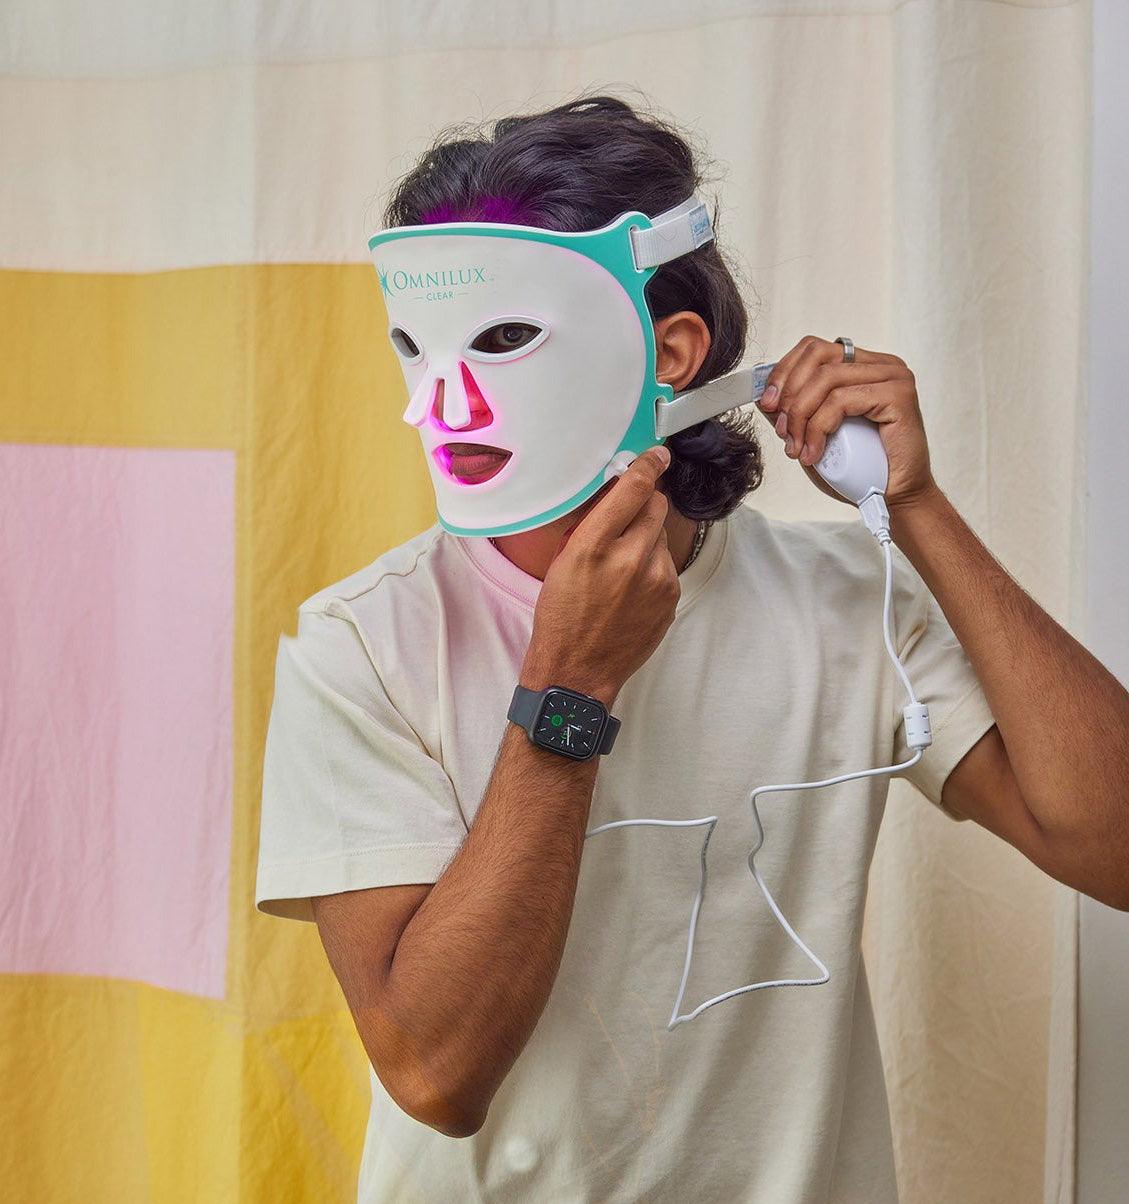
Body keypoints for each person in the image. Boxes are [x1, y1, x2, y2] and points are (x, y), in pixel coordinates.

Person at [254, 95, 1129, 1203]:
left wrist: (913, 506)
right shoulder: (361, 643)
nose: (440, 405)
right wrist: (570, 685)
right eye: (413, 349)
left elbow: (1115, 848)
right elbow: (433, 1074)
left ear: (672, 351)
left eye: (504, 338)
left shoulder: (841, 600)